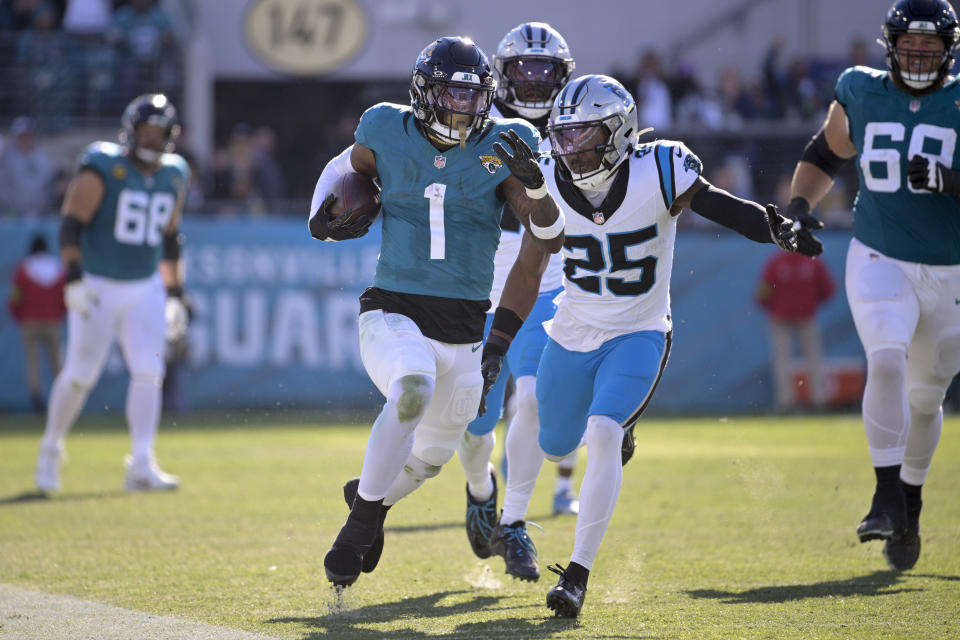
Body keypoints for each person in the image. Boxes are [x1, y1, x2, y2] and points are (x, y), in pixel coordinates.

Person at [482, 74, 821, 618]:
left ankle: (576, 575)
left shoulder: (660, 169)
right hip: (572, 329)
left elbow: (719, 204)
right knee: (555, 444)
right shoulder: (544, 178)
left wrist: (774, 227)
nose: (568, 148)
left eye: (582, 135)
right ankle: (610, 435)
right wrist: (499, 339)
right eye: (562, 135)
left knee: (603, 431)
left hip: (639, 330)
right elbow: (529, 267)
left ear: (618, 133)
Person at [309, 36, 564, 588]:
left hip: (467, 329)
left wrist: (538, 183)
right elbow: (343, 166)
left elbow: (550, 234)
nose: (462, 107)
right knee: (412, 389)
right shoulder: (385, 128)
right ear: (425, 92)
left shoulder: (505, 144)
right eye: (451, 93)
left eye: (473, 97)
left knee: (432, 455)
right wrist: (320, 214)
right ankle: (356, 531)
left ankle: (369, 505)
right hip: (395, 309)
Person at [784, 0, 960, 573]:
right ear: (889, 46)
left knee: (926, 396)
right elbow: (825, 151)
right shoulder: (860, 89)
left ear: (947, 52)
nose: (917, 58)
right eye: (909, 47)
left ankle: (910, 497)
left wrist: (950, 180)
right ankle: (885, 496)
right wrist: (799, 206)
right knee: (885, 359)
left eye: (929, 50)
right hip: (880, 253)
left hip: (952, 270)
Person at [455, 21, 578, 585]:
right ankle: (481, 491)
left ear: (563, 75)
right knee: (474, 425)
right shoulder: (479, 128)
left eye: (543, 70)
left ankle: (516, 522)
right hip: (478, 293)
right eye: (522, 69)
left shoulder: (579, 126)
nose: (532, 81)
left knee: (529, 398)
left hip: (546, 290)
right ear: (501, 76)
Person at [34, 93, 191, 493]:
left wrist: (175, 294)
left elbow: (171, 239)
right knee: (80, 375)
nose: (153, 140)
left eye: (160, 133)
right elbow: (71, 225)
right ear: (131, 131)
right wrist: (73, 278)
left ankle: (141, 462)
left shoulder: (174, 172)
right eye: (147, 131)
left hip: (145, 286)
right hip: (99, 283)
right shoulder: (103, 166)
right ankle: (50, 449)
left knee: (149, 371)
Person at [755, 249, 835, 412]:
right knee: (813, 359)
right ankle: (818, 401)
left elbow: (762, 294)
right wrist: (809, 303)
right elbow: (828, 290)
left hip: (783, 318)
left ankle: (786, 403)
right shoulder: (812, 261)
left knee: (783, 362)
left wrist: (776, 307)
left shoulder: (776, 261)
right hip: (803, 317)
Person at [7, 233, 66, 413]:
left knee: (33, 363)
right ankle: (63, 399)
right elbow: (64, 298)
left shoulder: (24, 269)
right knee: (57, 362)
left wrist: (18, 315)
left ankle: (37, 398)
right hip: (52, 322)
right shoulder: (57, 268)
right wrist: (60, 315)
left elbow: (15, 298)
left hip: (30, 322)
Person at [0, 117, 56, 217]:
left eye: (28, 135)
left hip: (39, 213)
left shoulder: (43, 157)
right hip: (13, 214)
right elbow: (3, 184)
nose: (25, 139)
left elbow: (48, 184)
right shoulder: (7, 159)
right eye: (22, 136)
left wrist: (43, 207)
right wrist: (10, 206)